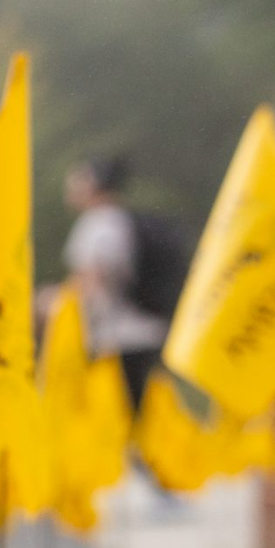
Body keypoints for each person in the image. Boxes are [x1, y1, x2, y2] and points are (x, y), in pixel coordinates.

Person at [57, 155, 175, 409]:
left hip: (118, 338)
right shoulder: (124, 219)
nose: (71, 185)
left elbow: (91, 281)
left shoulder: (98, 224)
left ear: (93, 184)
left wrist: (55, 307)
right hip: (146, 330)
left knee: (120, 422)